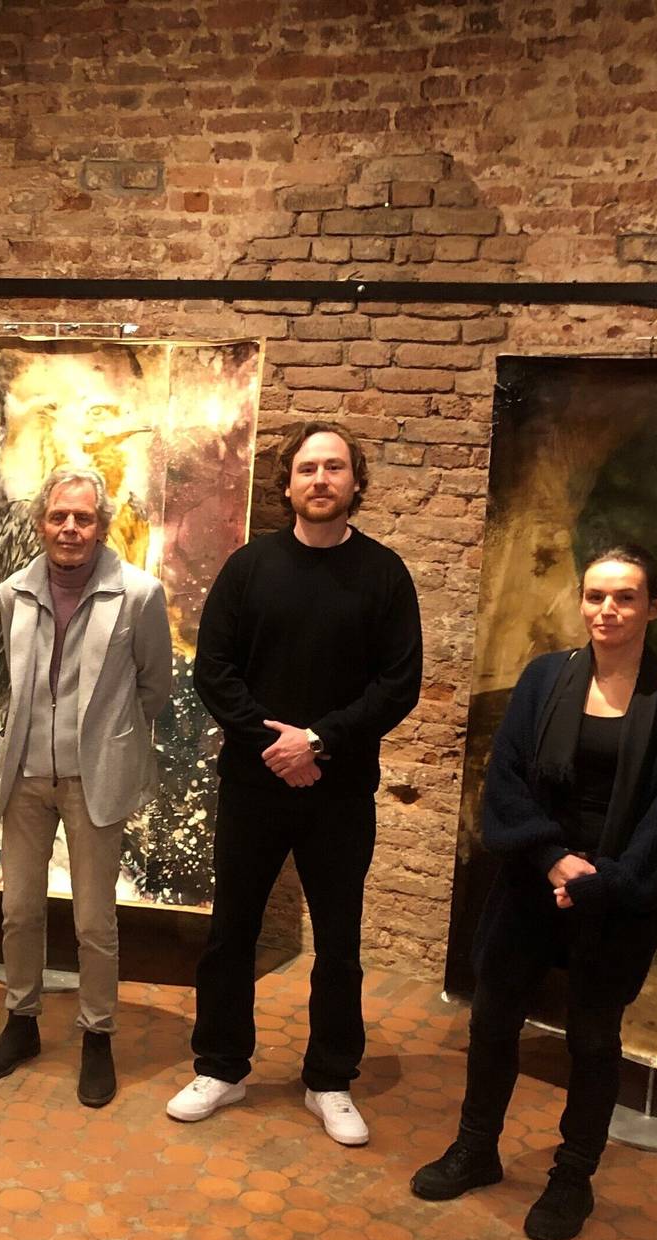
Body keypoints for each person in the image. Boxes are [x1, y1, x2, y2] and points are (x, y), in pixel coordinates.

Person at [412, 545, 657, 1240]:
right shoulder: (547, 677)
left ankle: (572, 1176)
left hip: (616, 897)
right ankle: (476, 1147)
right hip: (533, 879)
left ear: (653, 606)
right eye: (596, 595)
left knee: (594, 1037)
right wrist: (551, 858)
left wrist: (607, 881)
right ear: (582, 602)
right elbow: (505, 774)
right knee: (492, 1019)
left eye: (626, 597)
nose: (607, 609)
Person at [169, 420, 423, 1144]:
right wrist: (272, 742)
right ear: (287, 484)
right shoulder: (250, 568)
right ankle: (221, 1065)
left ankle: (330, 1078)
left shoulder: (384, 574)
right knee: (231, 932)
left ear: (354, 482)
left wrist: (318, 739)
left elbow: (399, 683)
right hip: (253, 786)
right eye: (308, 468)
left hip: (340, 793)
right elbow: (214, 668)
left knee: (338, 941)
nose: (320, 479)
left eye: (334, 467)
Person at [0, 465, 173, 1108]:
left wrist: (111, 737)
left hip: (95, 780)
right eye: (59, 516)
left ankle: (97, 1035)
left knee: (94, 922)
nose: (70, 528)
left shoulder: (139, 595)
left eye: (83, 517)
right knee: (19, 911)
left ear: (101, 526)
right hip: (26, 775)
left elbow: (155, 687)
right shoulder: (13, 591)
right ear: (41, 523)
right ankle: (22, 1022)